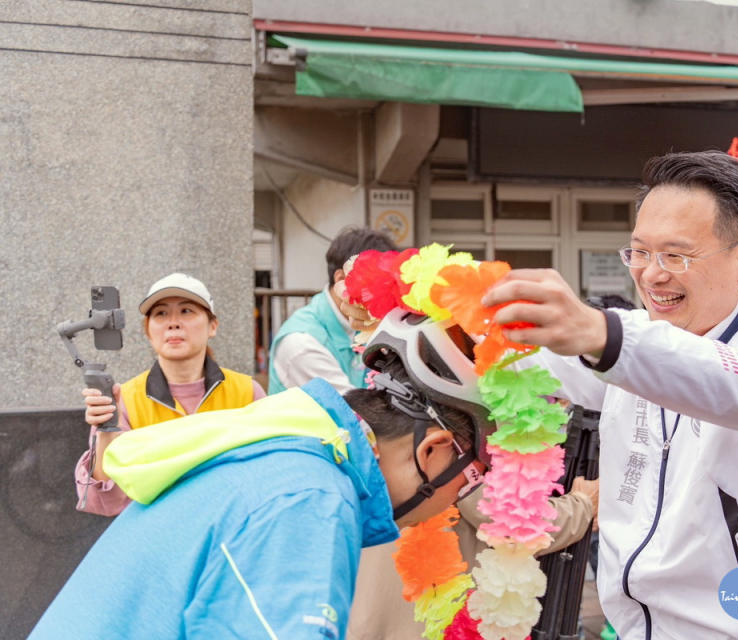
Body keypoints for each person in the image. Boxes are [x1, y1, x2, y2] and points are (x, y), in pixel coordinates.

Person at [481, 151, 738, 638]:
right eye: (639, 252)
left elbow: (737, 381)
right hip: (634, 627)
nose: (651, 275)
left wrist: (602, 335)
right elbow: (507, 363)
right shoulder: (630, 336)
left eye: (676, 255)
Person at [29, 310, 491, 640]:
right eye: (469, 477)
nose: (456, 499)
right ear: (433, 449)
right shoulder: (310, 499)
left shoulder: (281, 450)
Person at [76, 273, 265, 516]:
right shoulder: (126, 399)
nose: (173, 323)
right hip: (158, 537)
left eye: (187, 311)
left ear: (213, 326)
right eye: (161, 314)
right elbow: (105, 503)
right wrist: (105, 431)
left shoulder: (247, 391)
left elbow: (266, 474)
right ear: (147, 330)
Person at [268, 227, 397, 395]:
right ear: (342, 280)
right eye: (377, 284)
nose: (385, 293)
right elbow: (352, 411)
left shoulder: (365, 323)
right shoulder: (301, 343)